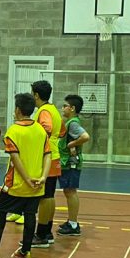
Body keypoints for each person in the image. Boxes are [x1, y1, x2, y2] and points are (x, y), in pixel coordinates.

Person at [0, 93, 50, 258]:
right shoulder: (40, 130)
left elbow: (15, 158)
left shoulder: (13, 131)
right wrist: (43, 177)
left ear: (18, 110)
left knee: (0, 212)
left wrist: (26, 179)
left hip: (16, 184)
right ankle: (26, 252)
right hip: (37, 184)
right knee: (30, 215)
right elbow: (47, 155)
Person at [29, 79, 64, 248]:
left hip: (47, 157)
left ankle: (41, 234)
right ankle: (47, 232)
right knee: (49, 196)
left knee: (44, 197)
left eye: (32, 94)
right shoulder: (54, 109)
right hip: (54, 155)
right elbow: (62, 131)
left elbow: (46, 129)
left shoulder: (43, 111)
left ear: (36, 95)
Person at [56, 94, 91, 236]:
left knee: (71, 191)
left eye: (65, 106)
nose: (63, 108)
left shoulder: (73, 124)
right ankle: (71, 221)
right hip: (67, 162)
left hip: (71, 163)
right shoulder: (70, 122)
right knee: (68, 191)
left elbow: (85, 136)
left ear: (72, 108)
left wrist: (72, 144)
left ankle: (73, 224)